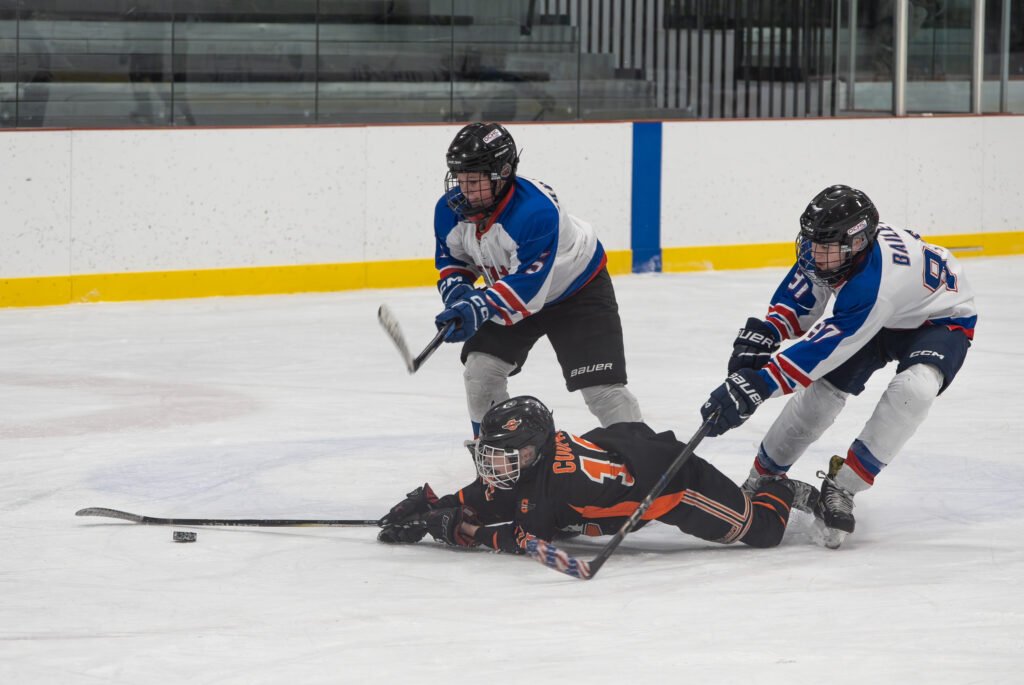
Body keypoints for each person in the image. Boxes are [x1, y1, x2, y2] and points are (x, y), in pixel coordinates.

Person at [699, 184, 976, 548]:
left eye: (825, 247)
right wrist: (770, 329)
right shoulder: (840, 251)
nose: (814, 253)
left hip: (940, 321)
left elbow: (823, 347)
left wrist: (760, 384)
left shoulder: (876, 284)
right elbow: (804, 293)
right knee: (821, 397)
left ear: (858, 243)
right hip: (888, 313)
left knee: (916, 389)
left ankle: (843, 487)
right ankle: (761, 480)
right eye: (811, 242)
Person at [376, 396, 818, 554]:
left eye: (506, 455)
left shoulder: (555, 484)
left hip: (676, 486)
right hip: (632, 454)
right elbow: (498, 493)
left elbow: (527, 537)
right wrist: (435, 500)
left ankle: (777, 489)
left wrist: (458, 529)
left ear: (532, 451)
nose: (495, 464)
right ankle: (750, 497)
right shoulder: (538, 461)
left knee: (761, 533)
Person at [433, 122, 642, 438]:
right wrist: (459, 292)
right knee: (480, 373)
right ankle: (496, 459)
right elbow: (453, 261)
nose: (464, 189)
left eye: (473, 180)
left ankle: (644, 459)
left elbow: (528, 290)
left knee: (603, 392)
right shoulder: (450, 210)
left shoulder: (535, 212)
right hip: (509, 291)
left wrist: (477, 307)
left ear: (502, 174)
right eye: (460, 178)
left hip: (577, 292)